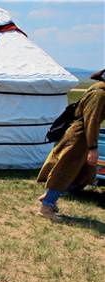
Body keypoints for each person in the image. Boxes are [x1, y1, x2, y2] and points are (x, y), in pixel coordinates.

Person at [36, 68, 105, 221]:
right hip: (79, 137)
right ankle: (47, 206)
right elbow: (91, 121)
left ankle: (48, 197)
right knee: (65, 169)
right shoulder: (99, 94)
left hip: (84, 137)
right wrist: (93, 148)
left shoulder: (101, 90)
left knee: (84, 173)